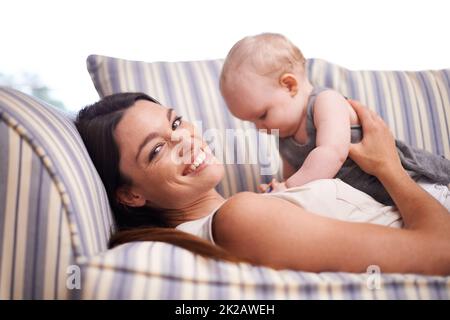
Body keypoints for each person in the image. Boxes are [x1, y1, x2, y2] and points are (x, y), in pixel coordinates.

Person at [75, 92, 450, 275]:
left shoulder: (247, 207)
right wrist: (389, 166)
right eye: (157, 150)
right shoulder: (241, 218)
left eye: (176, 123)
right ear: (131, 194)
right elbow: (440, 250)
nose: (185, 140)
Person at [219, 33, 450, 208]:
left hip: (415, 185)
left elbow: (332, 153)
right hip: (379, 205)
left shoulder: (325, 102)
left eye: (262, 115)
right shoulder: (284, 134)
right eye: (251, 122)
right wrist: (281, 191)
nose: (260, 128)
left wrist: (289, 188)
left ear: (289, 85)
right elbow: (294, 175)